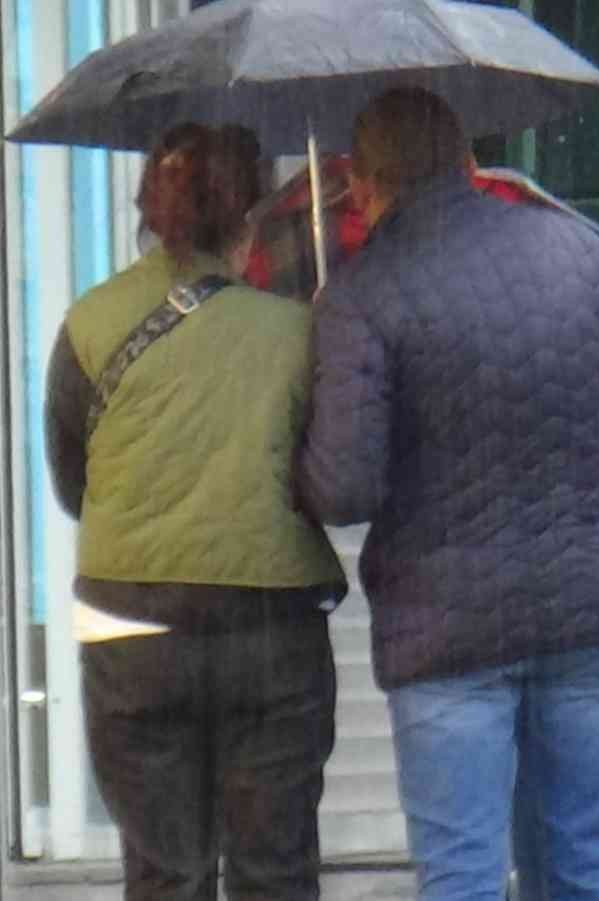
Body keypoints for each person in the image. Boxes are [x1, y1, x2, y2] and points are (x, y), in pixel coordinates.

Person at [294, 87, 599, 901]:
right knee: (592, 863)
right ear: (467, 164)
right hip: (587, 611)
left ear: (362, 183)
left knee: (462, 875)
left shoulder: (361, 293)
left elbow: (344, 486)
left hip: (447, 630)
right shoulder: (577, 250)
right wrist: (596, 519)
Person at [44, 122, 347, 901]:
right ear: (249, 214)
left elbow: (74, 482)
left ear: (148, 207)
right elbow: (330, 477)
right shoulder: (298, 329)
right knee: (275, 873)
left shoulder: (88, 323)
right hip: (274, 630)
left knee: (164, 874)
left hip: (130, 628)